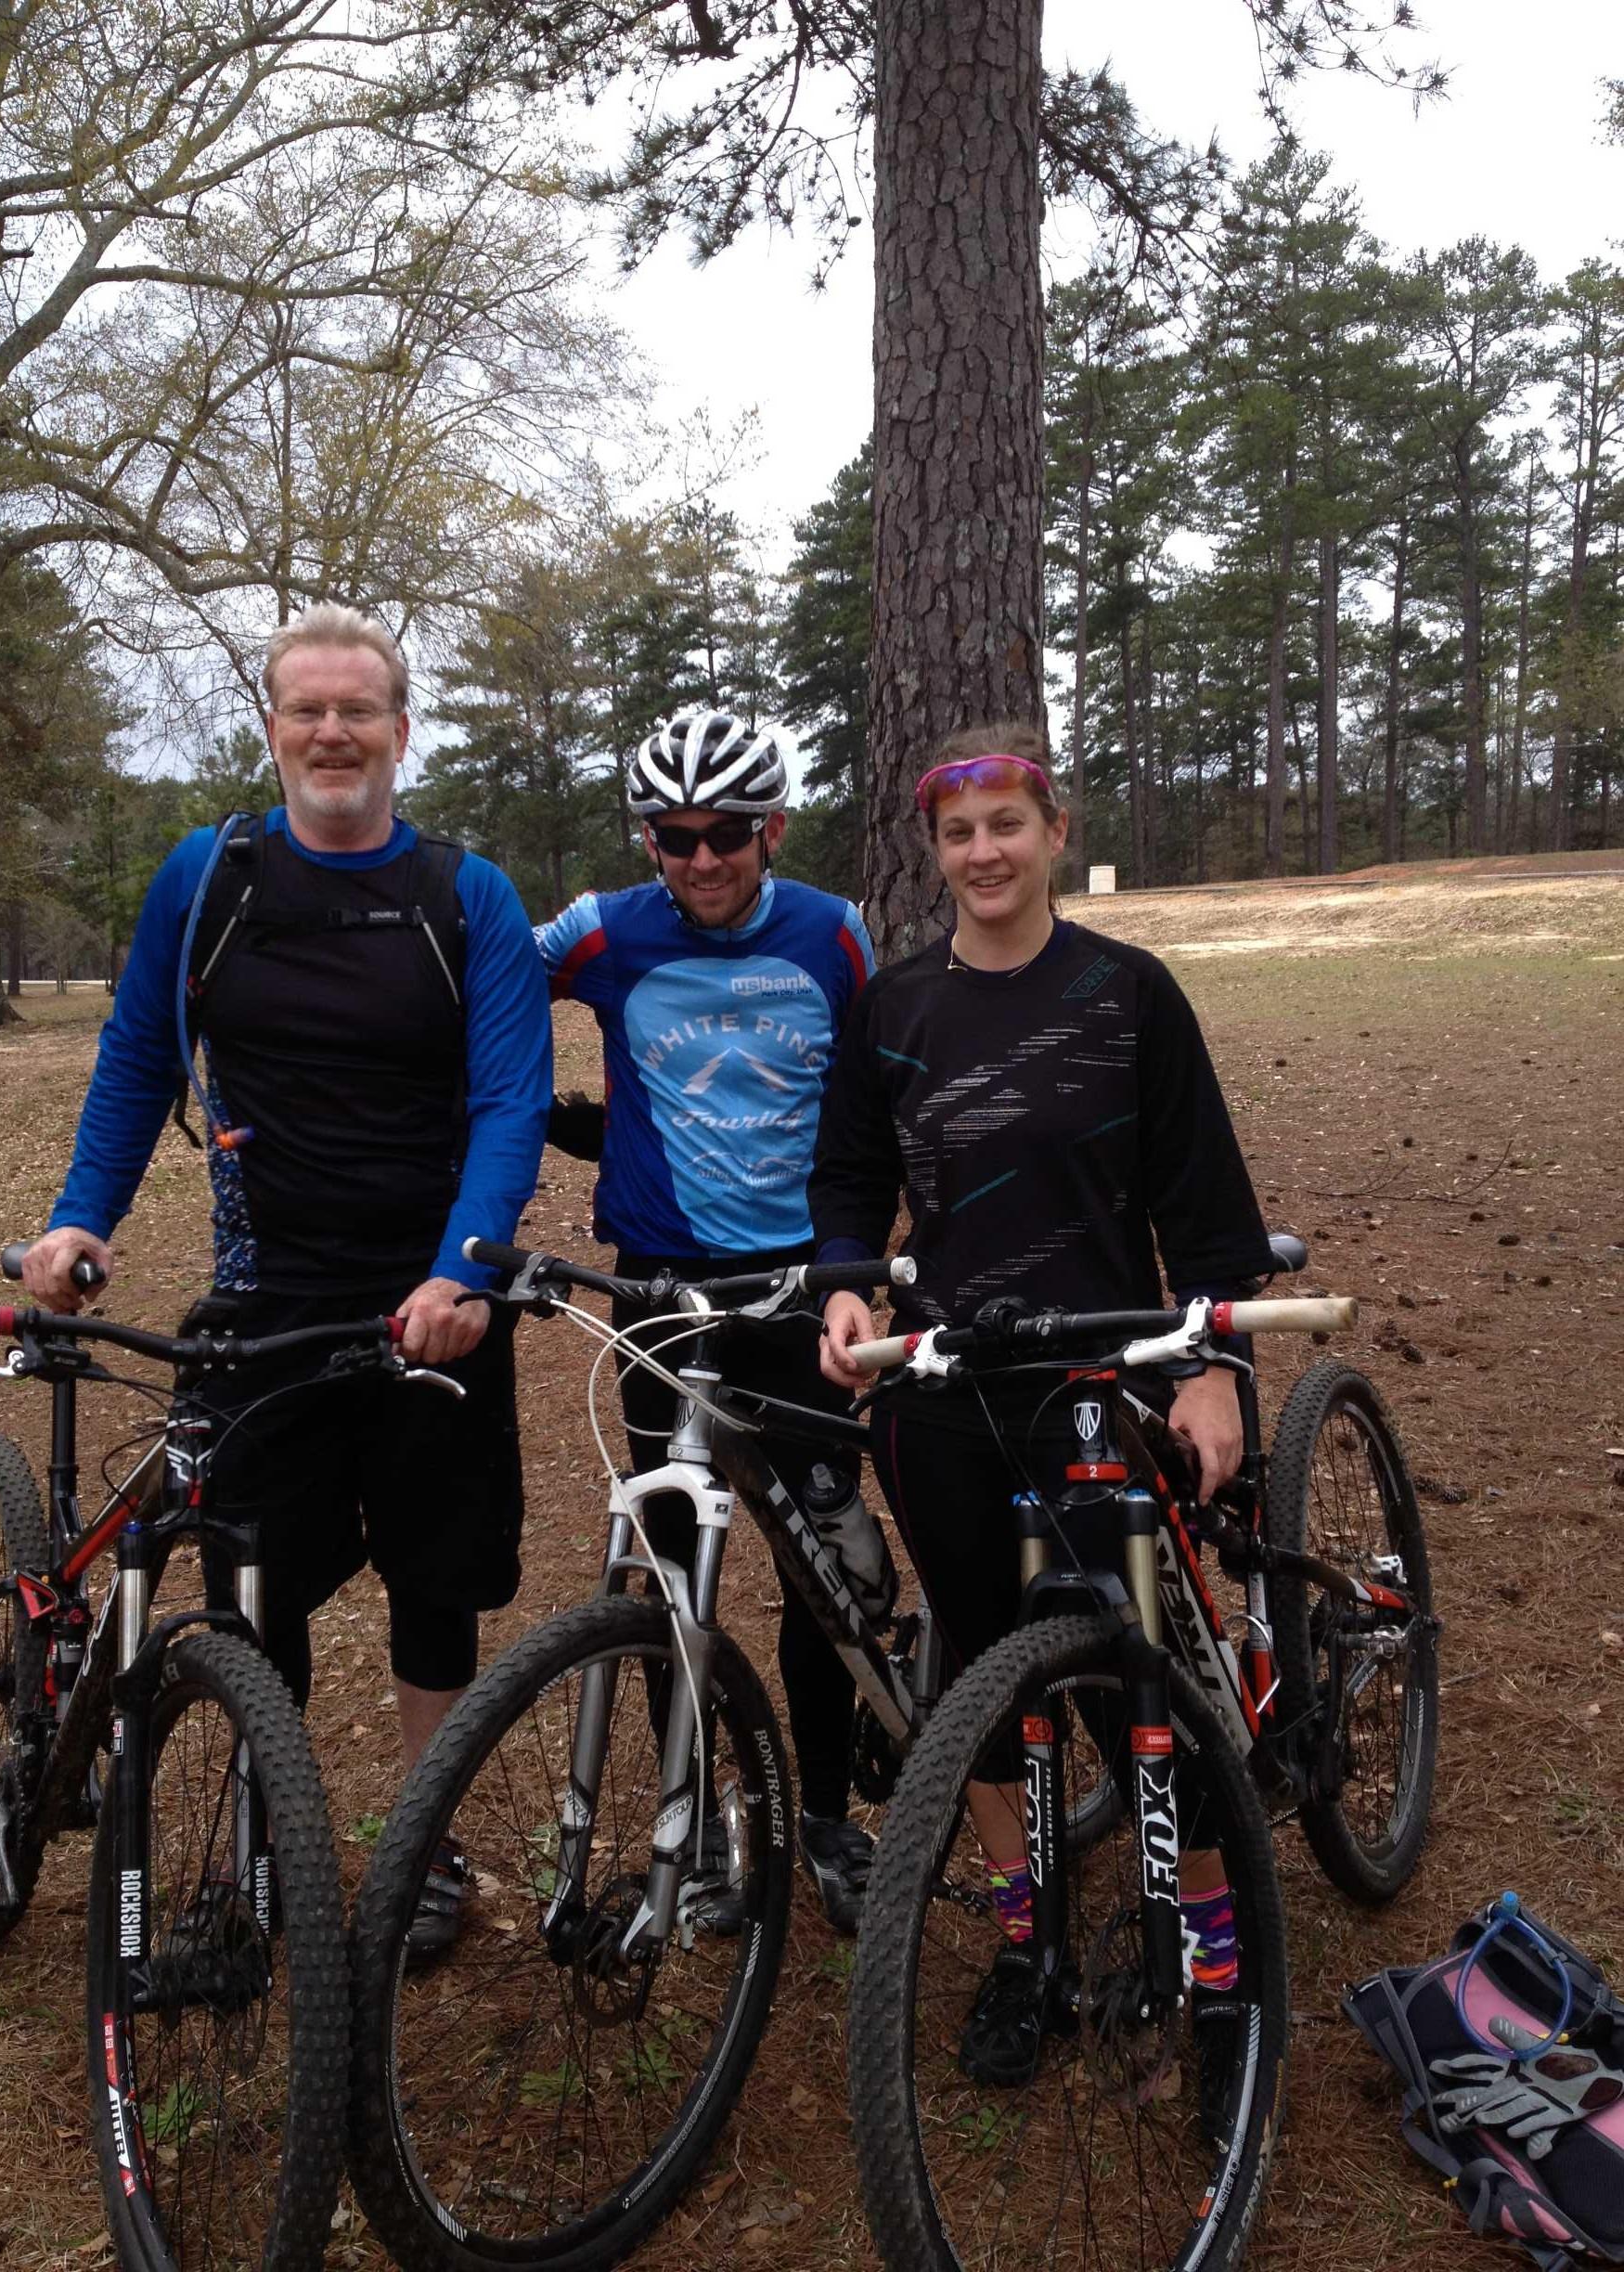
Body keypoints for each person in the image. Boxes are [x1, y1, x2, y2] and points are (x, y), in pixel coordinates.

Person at [23, 603, 551, 1956]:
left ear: (399, 730)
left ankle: (424, 1851)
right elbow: (140, 1058)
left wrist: (466, 1270)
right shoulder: (210, 879)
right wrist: (81, 1219)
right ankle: (265, 1846)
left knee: (437, 1582)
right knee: (257, 1585)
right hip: (267, 1299)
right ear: (272, 727)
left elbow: (508, 1101)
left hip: (435, 1300)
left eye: (356, 709)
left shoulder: (463, 895)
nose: (332, 731)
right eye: (305, 709)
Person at [810, 720, 1273, 2085]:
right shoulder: (893, 1010)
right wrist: (847, 1291)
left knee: (1134, 1670)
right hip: (948, 1378)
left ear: (1055, 831)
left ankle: (1216, 1959)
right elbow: (846, 1181)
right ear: (934, 850)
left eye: (1007, 824)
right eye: (958, 834)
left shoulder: (1130, 996)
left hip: (1107, 1366)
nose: (983, 852)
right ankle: (1028, 1938)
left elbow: (1205, 1210)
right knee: (975, 1668)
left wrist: (1213, 1371)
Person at [536, 708, 881, 1934]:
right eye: (671, 836)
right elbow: (483, 999)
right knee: (672, 1578)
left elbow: (880, 1089)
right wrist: (547, 1110)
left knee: (813, 1573)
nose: (697, 859)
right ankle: (705, 1819)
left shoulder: (834, 934)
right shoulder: (603, 931)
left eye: (725, 833)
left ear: (772, 826)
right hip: (661, 1287)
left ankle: (831, 1822)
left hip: (797, 1283)